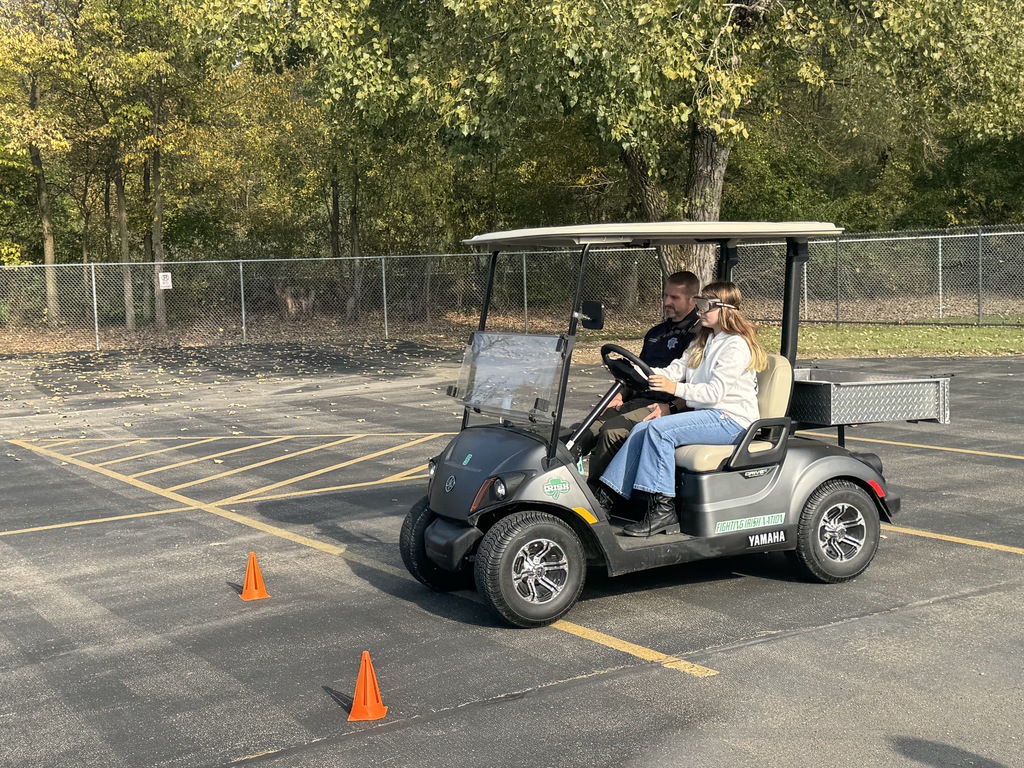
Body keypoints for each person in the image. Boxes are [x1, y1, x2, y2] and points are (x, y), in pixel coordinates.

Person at [595, 281, 767, 537]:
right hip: (707, 415)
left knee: (659, 431)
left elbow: (714, 393)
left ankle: (663, 508)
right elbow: (675, 370)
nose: (699, 310)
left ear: (725, 309)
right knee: (642, 428)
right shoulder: (704, 340)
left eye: (705, 305)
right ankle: (606, 498)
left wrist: (673, 388)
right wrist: (638, 370)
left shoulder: (736, 345)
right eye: (698, 303)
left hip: (732, 420)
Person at [575, 271, 701, 482]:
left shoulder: (698, 335)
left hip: (668, 405)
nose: (666, 302)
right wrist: (620, 395)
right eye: (665, 295)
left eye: (674, 297)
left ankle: (601, 494)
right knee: (583, 430)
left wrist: (673, 407)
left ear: (693, 300)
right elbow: (638, 372)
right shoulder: (656, 333)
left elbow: (695, 387)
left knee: (612, 432)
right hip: (640, 398)